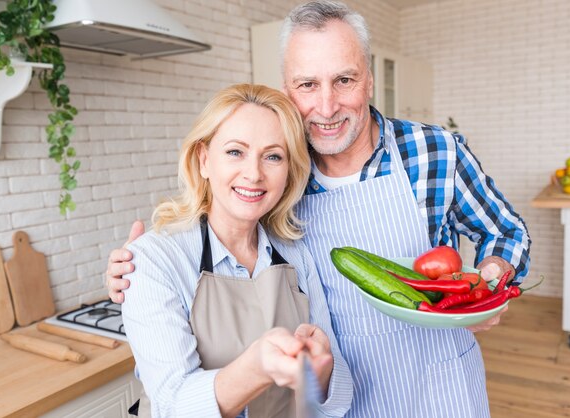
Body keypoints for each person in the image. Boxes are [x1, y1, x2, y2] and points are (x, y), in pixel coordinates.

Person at [107, 2, 531, 417]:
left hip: (440, 390)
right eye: (307, 84)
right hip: (339, 402)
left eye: (344, 80)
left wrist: (486, 289)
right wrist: (138, 268)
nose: (327, 107)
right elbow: (217, 214)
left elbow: (507, 232)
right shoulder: (284, 168)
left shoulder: (435, 152)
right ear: (288, 88)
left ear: (368, 79)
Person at [120, 83, 352, 418]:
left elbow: (339, 399)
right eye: (235, 152)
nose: (254, 173)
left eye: (273, 156)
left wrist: (323, 372)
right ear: (203, 160)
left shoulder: (296, 255)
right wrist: (256, 368)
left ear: (288, 172)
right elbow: (171, 405)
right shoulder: (156, 259)